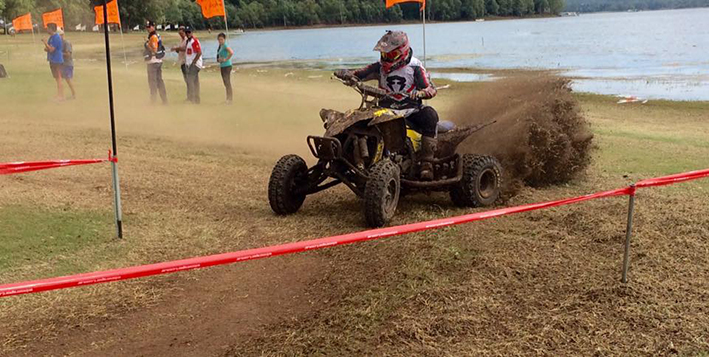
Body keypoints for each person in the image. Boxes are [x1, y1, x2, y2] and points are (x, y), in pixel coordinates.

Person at [334, 31, 438, 180]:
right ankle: (350, 158)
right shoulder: (379, 67)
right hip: (384, 110)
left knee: (430, 115)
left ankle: (427, 164)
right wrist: (346, 74)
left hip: (409, 110)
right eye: (384, 54)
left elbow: (430, 89)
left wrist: (421, 93)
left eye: (390, 55)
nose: (386, 57)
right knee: (358, 121)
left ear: (401, 52)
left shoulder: (415, 66)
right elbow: (360, 73)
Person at [144, 21, 168, 105]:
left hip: (153, 62)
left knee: (153, 82)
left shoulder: (153, 37)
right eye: (147, 27)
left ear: (153, 27)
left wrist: (147, 45)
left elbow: (154, 50)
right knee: (159, 81)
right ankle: (164, 100)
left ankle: (153, 101)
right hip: (158, 61)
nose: (148, 28)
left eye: (149, 27)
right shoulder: (156, 35)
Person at [42, 23, 64, 101]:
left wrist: (45, 42)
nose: (47, 30)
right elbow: (47, 48)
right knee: (56, 78)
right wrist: (47, 47)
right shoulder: (51, 37)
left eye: (48, 28)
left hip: (57, 60)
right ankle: (58, 95)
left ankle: (61, 96)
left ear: (51, 29)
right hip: (52, 59)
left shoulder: (56, 37)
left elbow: (51, 49)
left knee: (59, 78)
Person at [184, 27, 202, 104]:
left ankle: (192, 98)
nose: (188, 34)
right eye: (187, 32)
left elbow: (199, 52)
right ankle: (196, 99)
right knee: (195, 81)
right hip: (190, 64)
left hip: (195, 64)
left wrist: (193, 62)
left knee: (190, 81)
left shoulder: (194, 41)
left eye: (189, 32)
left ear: (192, 33)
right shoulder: (188, 42)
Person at [171, 26, 189, 102]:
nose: (180, 35)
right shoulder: (181, 40)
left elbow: (186, 49)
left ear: (184, 32)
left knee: (188, 80)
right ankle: (189, 96)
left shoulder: (186, 40)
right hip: (182, 61)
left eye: (181, 33)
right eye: (179, 33)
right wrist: (176, 50)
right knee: (186, 80)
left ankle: (190, 96)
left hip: (186, 62)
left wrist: (176, 48)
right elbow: (180, 51)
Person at [216, 33, 234, 104]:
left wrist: (226, 59)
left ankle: (230, 99)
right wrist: (219, 60)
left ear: (224, 39)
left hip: (227, 65)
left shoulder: (225, 45)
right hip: (222, 66)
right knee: (225, 82)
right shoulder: (220, 46)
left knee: (227, 82)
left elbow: (231, 52)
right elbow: (219, 55)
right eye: (219, 39)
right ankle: (228, 98)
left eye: (221, 39)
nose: (220, 41)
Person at [59, 29, 76, 100]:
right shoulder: (60, 43)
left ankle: (73, 94)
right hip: (62, 64)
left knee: (68, 80)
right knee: (60, 80)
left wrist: (59, 54)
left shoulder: (66, 43)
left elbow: (68, 54)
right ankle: (61, 95)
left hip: (67, 64)